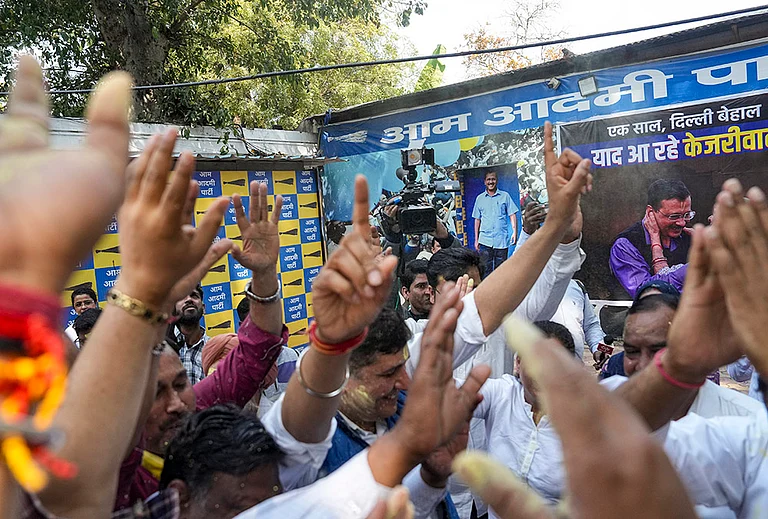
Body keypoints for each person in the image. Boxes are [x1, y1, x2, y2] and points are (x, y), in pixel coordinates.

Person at [610, 179, 693, 297]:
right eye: (674, 216)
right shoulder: (626, 244)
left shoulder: (689, 236)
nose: (682, 222)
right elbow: (646, 294)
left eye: (687, 215)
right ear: (650, 212)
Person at [472, 171, 518, 276]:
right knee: (485, 270)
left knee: (501, 271)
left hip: (501, 240)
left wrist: (514, 232)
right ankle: (486, 292)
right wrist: (476, 239)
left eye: (493, 179)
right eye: (488, 179)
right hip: (485, 240)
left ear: (496, 180)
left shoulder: (505, 196)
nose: (491, 182)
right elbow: (477, 220)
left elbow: (512, 214)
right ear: (485, 182)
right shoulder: (480, 199)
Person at [173, 284, 209, 385]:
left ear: (203, 308)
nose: (189, 299)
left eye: (194, 296)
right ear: (174, 311)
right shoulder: (162, 347)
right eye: (182, 297)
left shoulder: (214, 349)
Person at [400, 259, 433, 325]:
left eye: (432, 284)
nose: (428, 292)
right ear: (406, 292)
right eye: (421, 286)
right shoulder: (402, 327)